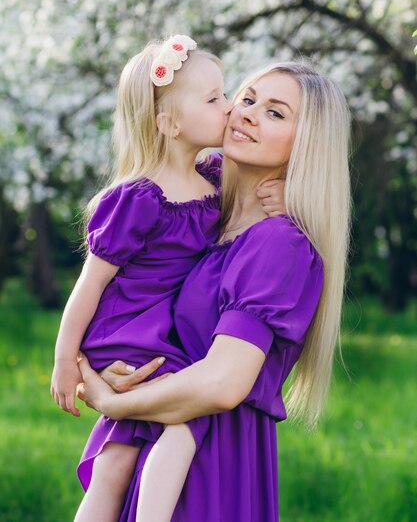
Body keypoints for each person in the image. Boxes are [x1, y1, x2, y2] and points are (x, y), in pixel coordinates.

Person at [77, 60, 351, 522]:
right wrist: (108, 367)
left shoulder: (279, 244)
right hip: (149, 448)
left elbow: (223, 383)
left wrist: (114, 401)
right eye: (246, 99)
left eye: (276, 113)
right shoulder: (199, 212)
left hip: (210, 465)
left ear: (306, 146)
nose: (246, 113)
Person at [50, 34, 283, 522]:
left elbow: (259, 211)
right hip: (131, 333)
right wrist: (65, 361)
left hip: (174, 333)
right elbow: (89, 285)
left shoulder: (217, 179)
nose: (230, 108)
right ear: (169, 123)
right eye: (215, 99)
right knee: (173, 430)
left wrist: (278, 202)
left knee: (123, 456)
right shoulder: (139, 199)